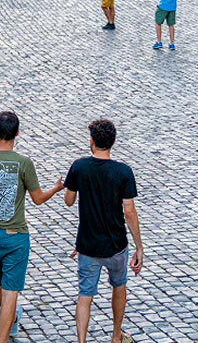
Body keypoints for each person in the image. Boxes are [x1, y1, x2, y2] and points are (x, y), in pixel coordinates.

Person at [0, 111, 65, 343]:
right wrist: (55, 188)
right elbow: (37, 198)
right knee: (9, 292)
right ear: (17, 133)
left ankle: (11, 320)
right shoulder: (24, 163)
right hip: (16, 237)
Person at [65, 119, 142, 343]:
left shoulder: (79, 167)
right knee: (119, 286)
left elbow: (69, 201)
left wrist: (67, 186)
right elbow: (129, 212)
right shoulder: (123, 172)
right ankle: (116, 335)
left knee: (85, 295)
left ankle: (81, 340)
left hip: (88, 245)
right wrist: (139, 246)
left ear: (92, 141)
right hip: (116, 245)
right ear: (113, 142)